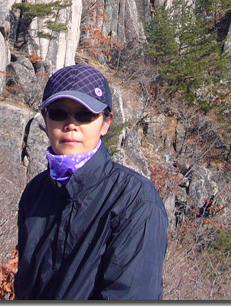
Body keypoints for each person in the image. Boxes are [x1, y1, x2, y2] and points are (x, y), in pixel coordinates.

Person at [15, 64, 168, 300]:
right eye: (58, 112)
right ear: (45, 119)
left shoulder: (135, 200)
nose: (71, 124)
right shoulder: (36, 192)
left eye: (85, 114)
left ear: (106, 123)